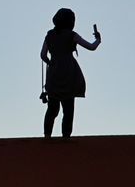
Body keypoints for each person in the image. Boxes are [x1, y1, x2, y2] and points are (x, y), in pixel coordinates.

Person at [40, 7, 101, 138]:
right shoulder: (71, 35)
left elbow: (43, 55)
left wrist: (52, 63)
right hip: (69, 73)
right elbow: (91, 47)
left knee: (52, 109)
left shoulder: (49, 35)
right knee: (68, 109)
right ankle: (66, 137)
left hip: (54, 74)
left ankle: (47, 136)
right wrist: (98, 40)